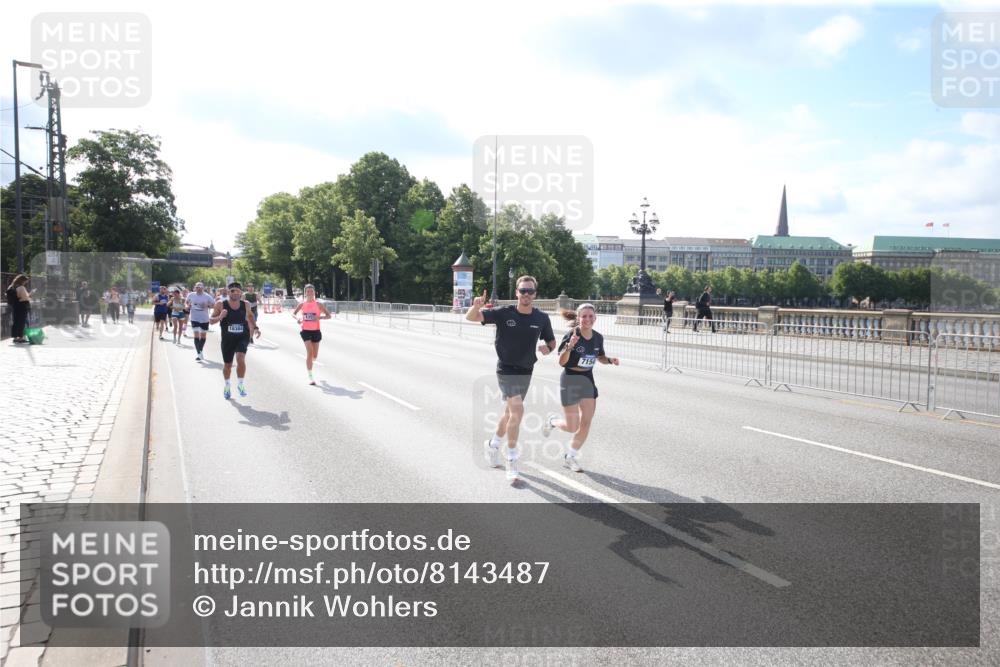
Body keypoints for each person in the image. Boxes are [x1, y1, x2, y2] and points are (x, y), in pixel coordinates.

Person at [466, 276, 556, 483]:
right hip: (506, 369)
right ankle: (512, 458)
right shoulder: (503, 313)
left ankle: (493, 445)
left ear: (535, 294)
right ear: (516, 292)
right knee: (518, 411)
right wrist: (476, 306)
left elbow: (551, 341)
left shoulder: (541, 318)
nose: (526, 294)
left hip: (526, 370)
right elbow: (472, 317)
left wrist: (548, 348)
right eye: (523, 290)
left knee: (509, 413)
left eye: (530, 291)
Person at [543, 304, 619, 472]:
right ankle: (553, 422)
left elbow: (600, 357)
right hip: (570, 379)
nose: (587, 319)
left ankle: (570, 456)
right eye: (584, 316)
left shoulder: (598, 337)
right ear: (578, 318)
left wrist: (609, 360)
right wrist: (570, 346)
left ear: (595, 318)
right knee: (572, 426)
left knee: (586, 423)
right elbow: (562, 362)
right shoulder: (572, 335)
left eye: (591, 316)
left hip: (587, 380)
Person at [209, 282, 261, 399]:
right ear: (228, 292)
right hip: (228, 339)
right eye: (233, 291)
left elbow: (250, 316)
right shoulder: (220, 304)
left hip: (242, 336)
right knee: (228, 365)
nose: (235, 293)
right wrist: (220, 317)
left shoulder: (246, 304)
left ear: (241, 293)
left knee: (240, 358)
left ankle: (241, 384)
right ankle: (227, 385)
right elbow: (211, 321)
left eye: (238, 291)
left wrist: (256, 328)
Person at [292, 283, 332, 384]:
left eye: (311, 291)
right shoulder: (302, 304)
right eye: (308, 291)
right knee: (309, 353)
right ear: (305, 293)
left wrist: (320, 317)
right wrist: (298, 319)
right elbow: (293, 313)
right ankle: (310, 376)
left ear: (314, 292)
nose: (310, 293)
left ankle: (311, 362)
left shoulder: (318, 304)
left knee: (315, 355)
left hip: (316, 331)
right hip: (305, 330)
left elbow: (329, 316)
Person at [186, 282, 215, 361]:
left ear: (203, 288)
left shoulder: (207, 296)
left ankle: (200, 351)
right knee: (196, 335)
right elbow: (186, 302)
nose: (198, 289)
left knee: (203, 336)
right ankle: (199, 354)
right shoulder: (191, 295)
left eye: (200, 288)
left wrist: (207, 305)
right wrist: (188, 306)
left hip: (204, 318)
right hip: (194, 318)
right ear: (195, 288)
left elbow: (214, 304)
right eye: (197, 287)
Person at [6, 274, 31, 344]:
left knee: (16, 321)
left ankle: (15, 337)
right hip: (22, 306)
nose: (25, 283)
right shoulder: (21, 287)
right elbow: (25, 298)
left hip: (15, 306)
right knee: (21, 322)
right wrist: (30, 295)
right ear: (22, 281)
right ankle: (21, 338)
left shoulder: (11, 286)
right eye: (25, 281)